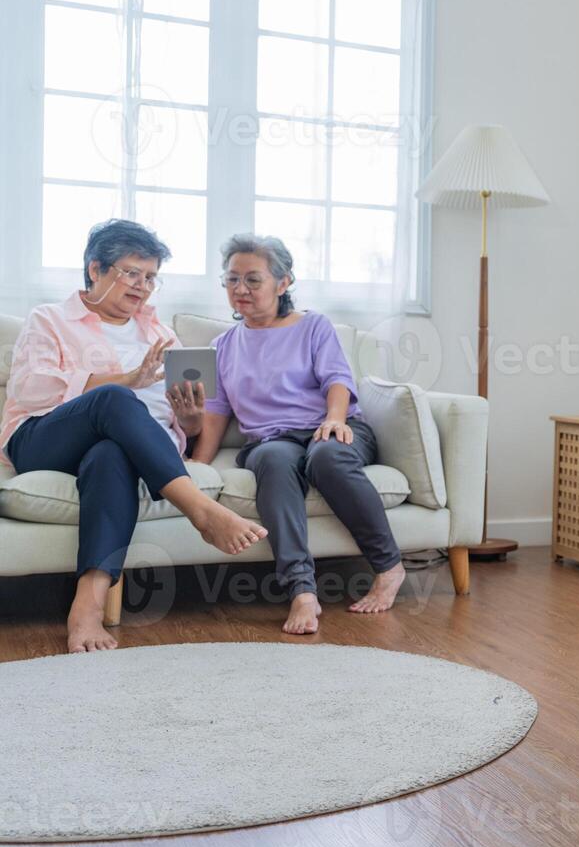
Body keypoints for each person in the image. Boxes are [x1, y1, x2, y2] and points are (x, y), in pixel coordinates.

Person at [1, 220, 268, 653]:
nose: (142, 286)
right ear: (95, 270)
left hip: (122, 448)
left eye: (150, 277)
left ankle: (87, 605)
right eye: (131, 273)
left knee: (111, 454)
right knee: (114, 400)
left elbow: (186, 428)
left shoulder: (162, 336)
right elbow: (32, 389)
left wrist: (192, 418)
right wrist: (125, 380)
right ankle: (201, 511)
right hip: (43, 440)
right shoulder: (49, 320)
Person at [187, 235, 404, 635]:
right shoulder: (222, 347)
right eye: (232, 279)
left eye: (253, 280)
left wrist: (335, 419)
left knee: (326, 456)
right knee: (273, 459)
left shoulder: (314, 326)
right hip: (272, 441)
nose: (240, 290)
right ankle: (302, 591)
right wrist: (197, 464)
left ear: (283, 283)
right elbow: (216, 414)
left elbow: (337, 378)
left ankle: (389, 567)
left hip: (333, 426)